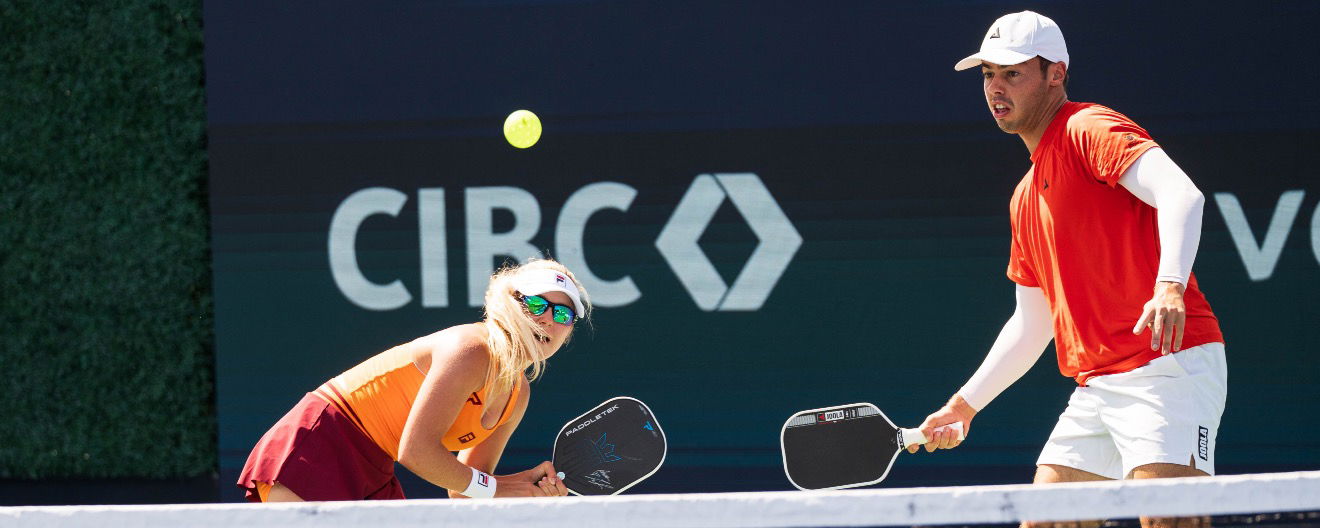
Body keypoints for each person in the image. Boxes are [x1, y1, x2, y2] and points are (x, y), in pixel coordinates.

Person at [911, 10, 1227, 525]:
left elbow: (1181, 194)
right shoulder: (1023, 199)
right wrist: (964, 405)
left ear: (1055, 73)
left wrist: (1169, 285)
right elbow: (1032, 324)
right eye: (989, 73)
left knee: (1169, 520)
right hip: (1097, 383)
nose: (996, 86)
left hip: (1167, 364)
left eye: (1013, 72)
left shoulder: (1087, 127)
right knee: (1048, 520)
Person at [237, 258, 590, 501]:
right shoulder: (472, 349)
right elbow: (417, 452)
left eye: (563, 313)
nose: (548, 320)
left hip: (376, 467)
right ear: (512, 303)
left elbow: (463, 489)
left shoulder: (518, 394)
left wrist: (528, 491)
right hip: (322, 444)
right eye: (538, 304)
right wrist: (502, 487)